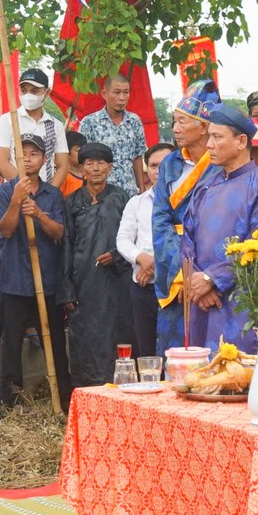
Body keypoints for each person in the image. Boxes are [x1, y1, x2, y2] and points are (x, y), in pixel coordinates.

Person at [179, 105, 258, 353]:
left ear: (241, 141)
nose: (209, 145)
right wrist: (198, 282)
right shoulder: (204, 187)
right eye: (209, 137)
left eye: (217, 137)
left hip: (240, 301)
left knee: (237, 377)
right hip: (200, 300)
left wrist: (212, 279)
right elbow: (186, 238)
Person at [0, 135, 73, 408]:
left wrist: (38, 213)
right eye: (23, 154)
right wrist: (16, 201)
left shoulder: (53, 195)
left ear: (44, 160)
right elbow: (4, 230)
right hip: (14, 281)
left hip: (47, 281)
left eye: (34, 154)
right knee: (12, 343)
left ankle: (62, 397)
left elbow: (59, 233)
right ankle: (12, 400)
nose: (28, 159)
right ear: (15, 158)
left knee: (55, 343)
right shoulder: (4, 192)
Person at [151, 82, 222, 348]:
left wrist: (203, 279)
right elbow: (160, 220)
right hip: (174, 273)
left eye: (183, 122)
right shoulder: (170, 163)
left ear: (204, 127)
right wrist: (182, 274)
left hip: (210, 271)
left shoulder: (221, 165)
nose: (176, 129)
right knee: (175, 352)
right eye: (174, 122)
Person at [64, 143, 133, 384]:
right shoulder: (71, 202)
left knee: (116, 334)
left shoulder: (122, 198)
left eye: (101, 163)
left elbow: (133, 238)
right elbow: (66, 245)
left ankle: (117, 390)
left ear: (110, 167)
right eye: (90, 163)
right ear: (81, 168)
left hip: (116, 280)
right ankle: (85, 392)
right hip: (83, 282)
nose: (96, 168)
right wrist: (67, 290)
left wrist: (116, 255)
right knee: (84, 337)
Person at [117, 144, 170, 358]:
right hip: (142, 287)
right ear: (146, 169)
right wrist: (141, 258)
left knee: (173, 349)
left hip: (173, 288)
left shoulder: (186, 201)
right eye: (154, 165)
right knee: (145, 348)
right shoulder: (136, 203)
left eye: (165, 165)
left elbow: (182, 239)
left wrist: (153, 264)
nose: (159, 171)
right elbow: (123, 240)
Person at [78, 72, 150, 190]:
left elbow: (137, 157)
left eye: (126, 92)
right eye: (117, 92)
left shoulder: (134, 121)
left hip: (129, 193)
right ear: (104, 94)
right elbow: (83, 159)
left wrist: (141, 189)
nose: (122, 98)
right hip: (100, 195)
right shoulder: (89, 122)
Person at [0, 67, 62, 182]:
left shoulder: (55, 125)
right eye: (24, 90)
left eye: (34, 91)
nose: (28, 95)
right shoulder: (6, 120)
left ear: (47, 92)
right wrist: (25, 191)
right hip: (15, 192)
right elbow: (2, 162)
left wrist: (48, 194)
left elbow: (62, 166)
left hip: (47, 194)